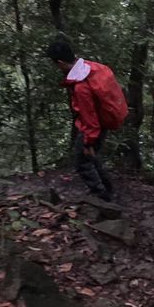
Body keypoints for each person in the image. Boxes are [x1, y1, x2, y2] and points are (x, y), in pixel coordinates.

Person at [47, 40, 126, 202]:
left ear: (60, 62)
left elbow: (89, 118)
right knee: (92, 157)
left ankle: (102, 198)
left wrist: (88, 141)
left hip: (94, 127)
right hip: (103, 122)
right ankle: (108, 189)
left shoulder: (81, 87)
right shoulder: (92, 67)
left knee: (82, 163)